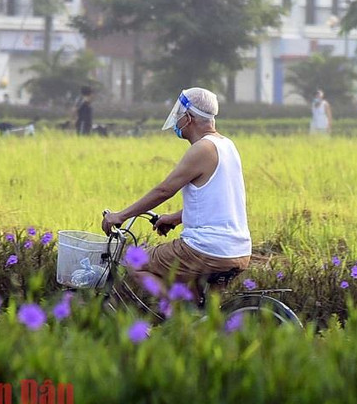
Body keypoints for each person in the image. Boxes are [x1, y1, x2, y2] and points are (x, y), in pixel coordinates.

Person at [101, 87, 251, 300]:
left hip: (205, 249)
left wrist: (120, 216)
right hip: (238, 250)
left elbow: (164, 190)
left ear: (188, 118)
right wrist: (173, 218)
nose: (176, 122)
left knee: (135, 262)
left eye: (179, 116)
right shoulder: (227, 146)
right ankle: (199, 325)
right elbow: (217, 201)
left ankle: (177, 314)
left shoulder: (202, 149)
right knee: (197, 300)